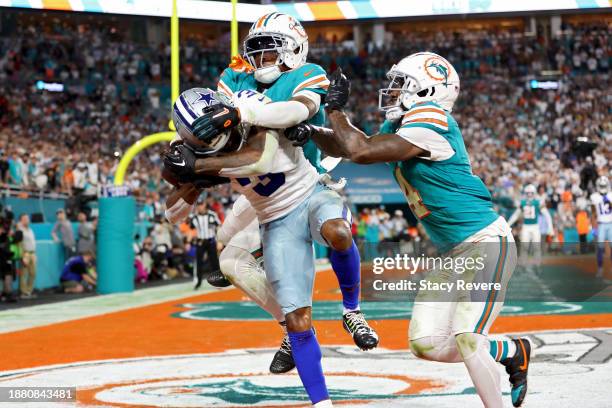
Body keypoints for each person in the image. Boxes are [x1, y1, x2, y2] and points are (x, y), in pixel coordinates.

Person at [285, 53, 531, 408]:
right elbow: (347, 147)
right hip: (454, 254)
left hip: (485, 241)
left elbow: (362, 150)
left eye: (402, 83)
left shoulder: (432, 118)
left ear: (427, 90)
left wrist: (336, 110)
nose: (393, 89)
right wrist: (313, 131)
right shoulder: (403, 124)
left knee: (469, 338)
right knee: (426, 342)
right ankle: (513, 350)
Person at [193, 11, 378, 375]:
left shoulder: (307, 74)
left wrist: (243, 110)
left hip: (303, 184)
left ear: (294, 51)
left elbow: (295, 111)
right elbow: (223, 120)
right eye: (256, 51)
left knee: (337, 234)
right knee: (226, 254)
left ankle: (352, 311)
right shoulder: (234, 75)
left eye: (271, 51)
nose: (261, 60)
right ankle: (290, 326)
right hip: (258, 187)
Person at [507, 184, 554, 271]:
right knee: (524, 246)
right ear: (525, 193)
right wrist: (508, 224)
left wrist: (550, 227)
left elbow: (547, 215)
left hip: (535, 227)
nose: (529, 195)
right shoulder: (523, 202)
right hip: (526, 227)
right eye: (528, 193)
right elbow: (516, 215)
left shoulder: (538, 202)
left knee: (536, 247)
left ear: (534, 193)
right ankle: (523, 264)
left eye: (531, 193)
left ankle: (537, 265)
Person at [190, 199, 222, 289]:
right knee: (198, 262)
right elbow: (191, 229)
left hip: (211, 240)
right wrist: (190, 241)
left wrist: (220, 241)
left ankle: (217, 281)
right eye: (198, 205)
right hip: (200, 241)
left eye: (201, 204)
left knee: (214, 262)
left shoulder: (212, 215)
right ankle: (198, 282)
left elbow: (219, 226)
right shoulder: (194, 217)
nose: (199, 206)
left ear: (204, 204)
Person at [590, 176, 612, 279]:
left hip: (611, 223)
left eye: (604, 185)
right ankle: (600, 268)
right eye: (601, 186)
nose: (603, 187)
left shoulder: (611, 195)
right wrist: (593, 227)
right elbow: (593, 212)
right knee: (600, 248)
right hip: (601, 224)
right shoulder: (594, 197)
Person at [16, 214, 36, 299]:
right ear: (21, 220)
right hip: (26, 253)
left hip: (33, 253)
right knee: (23, 274)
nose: (27, 220)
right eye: (24, 219)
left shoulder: (30, 230)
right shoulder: (20, 230)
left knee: (33, 273)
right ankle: (23, 292)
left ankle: (29, 291)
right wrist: (22, 255)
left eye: (27, 218)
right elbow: (19, 244)